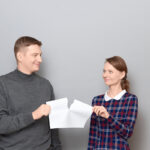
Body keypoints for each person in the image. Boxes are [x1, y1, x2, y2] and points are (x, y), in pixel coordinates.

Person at [0, 36, 62, 150]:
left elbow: (54, 123)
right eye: (35, 55)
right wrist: (33, 115)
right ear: (20, 56)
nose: (40, 60)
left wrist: (57, 148)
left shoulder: (46, 85)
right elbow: (1, 124)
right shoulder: (2, 84)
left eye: (40, 55)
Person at [88, 56, 138, 150]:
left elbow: (127, 133)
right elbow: (93, 134)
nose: (105, 75)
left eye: (110, 72)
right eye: (104, 71)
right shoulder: (97, 100)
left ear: (122, 74)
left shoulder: (130, 99)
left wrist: (108, 116)